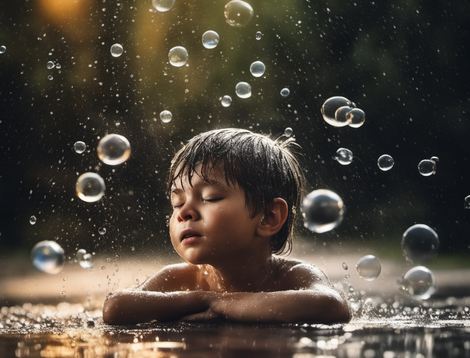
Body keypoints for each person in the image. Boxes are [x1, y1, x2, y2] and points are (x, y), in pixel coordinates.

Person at [103, 128, 350, 325]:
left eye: (211, 197)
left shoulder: (291, 276)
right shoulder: (183, 278)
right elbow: (116, 308)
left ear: (269, 217)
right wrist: (204, 299)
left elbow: (331, 305)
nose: (184, 212)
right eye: (177, 202)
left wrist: (223, 303)